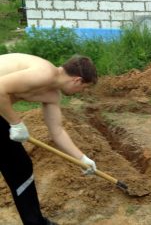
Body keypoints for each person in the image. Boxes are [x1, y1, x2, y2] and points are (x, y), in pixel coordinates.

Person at [0, 53, 98, 225]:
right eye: (85, 88)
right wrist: (16, 123)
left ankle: (35, 222)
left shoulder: (52, 95)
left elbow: (57, 131)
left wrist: (81, 158)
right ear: (77, 80)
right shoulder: (44, 73)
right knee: (18, 166)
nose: (82, 92)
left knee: (19, 167)